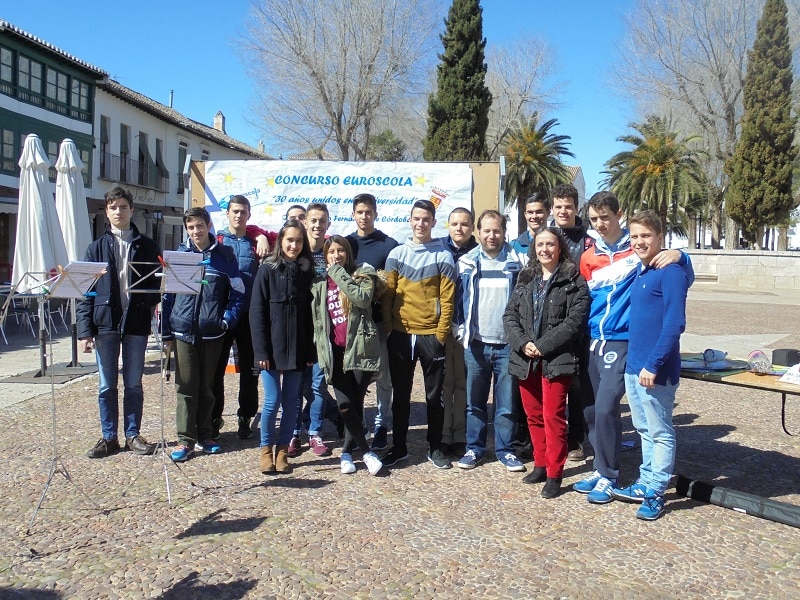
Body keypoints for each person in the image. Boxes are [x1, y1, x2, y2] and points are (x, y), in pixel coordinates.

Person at [573, 191, 693, 504]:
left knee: (608, 406)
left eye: (605, 217)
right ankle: (603, 470)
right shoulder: (588, 255)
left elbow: (679, 282)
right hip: (594, 339)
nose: (600, 223)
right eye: (595, 218)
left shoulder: (639, 250)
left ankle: (612, 475)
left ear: (619, 215)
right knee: (592, 410)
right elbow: (586, 298)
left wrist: (683, 255)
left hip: (622, 341)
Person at [611, 210, 690, 520]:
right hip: (635, 366)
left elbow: (674, 323)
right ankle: (645, 481)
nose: (639, 241)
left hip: (655, 369)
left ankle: (656, 490)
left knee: (660, 431)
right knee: (643, 427)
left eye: (646, 235)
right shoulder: (643, 271)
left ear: (660, 238)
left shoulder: (671, 271)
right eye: (634, 236)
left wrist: (654, 364)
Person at [504, 227, 589, 498]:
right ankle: (540, 463)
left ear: (559, 247)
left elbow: (574, 323)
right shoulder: (526, 276)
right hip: (525, 358)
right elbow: (510, 316)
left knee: (553, 417)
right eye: (540, 244)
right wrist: (522, 343)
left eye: (550, 244)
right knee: (533, 416)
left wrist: (542, 346)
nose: (545, 250)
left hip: (557, 359)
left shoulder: (574, 279)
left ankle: (554, 472)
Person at [78, 186, 161, 458]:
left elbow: (156, 287)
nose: (118, 211)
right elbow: (85, 292)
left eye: (123, 207)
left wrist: (154, 299)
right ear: (106, 211)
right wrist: (84, 331)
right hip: (105, 324)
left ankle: (132, 434)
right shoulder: (96, 248)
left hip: (136, 323)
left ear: (132, 210)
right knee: (106, 385)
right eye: (113, 207)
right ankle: (108, 436)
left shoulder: (147, 246)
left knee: (134, 383)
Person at [162, 207, 244, 462]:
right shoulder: (179, 255)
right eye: (191, 227)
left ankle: (206, 434)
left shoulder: (225, 256)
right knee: (186, 386)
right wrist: (166, 333)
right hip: (183, 330)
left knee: (208, 386)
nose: (196, 231)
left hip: (212, 332)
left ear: (208, 225)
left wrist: (226, 321)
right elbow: (168, 297)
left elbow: (238, 294)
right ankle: (185, 439)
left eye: (199, 226)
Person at [381, 199, 456, 469]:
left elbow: (447, 300)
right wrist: (390, 329)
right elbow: (388, 295)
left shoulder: (443, 255)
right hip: (400, 335)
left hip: (430, 337)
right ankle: (398, 447)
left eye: (426, 219)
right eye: (416, 218)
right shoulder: (397, 255)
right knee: (400, 396)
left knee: (434, 397)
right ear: (410, 220)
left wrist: (440, 334)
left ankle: (435, 448)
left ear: (434, 222)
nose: (421, 223)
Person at [453, 210, 526, 472]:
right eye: (486, 230)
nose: (491, 235)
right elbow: (457, 300)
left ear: (504, 232)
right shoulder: (467, 262)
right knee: (475, 403)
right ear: (478, 232)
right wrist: (459, 329)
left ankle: (505, 450)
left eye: (496, 230)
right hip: (476, 344)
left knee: (506, 405)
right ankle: (475, 448)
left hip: (508, 346)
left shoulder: (519, 262)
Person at [311, 235, 383, 475]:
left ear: (348, 254)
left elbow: (362, 299)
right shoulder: (320, 283)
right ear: (326, 255)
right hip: (336, 353)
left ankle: (345, 453)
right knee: (345, 405)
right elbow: (318, 323)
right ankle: (366, 451)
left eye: (341, 251)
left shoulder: (363, 274)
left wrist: (340, 274)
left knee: (357, 404)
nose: (336, 255)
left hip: (360, 349)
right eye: (331, 252)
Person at [250, 218, 316, 474]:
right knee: (272, 401)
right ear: (281, 241)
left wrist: (310, 351)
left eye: (299, 241)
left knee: (292, 402)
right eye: (290, 240)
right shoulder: (267, 269)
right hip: (271, 349)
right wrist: (261, 351)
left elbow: (312, 317)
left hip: (298, 348)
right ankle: (265, 449)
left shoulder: (307, 271)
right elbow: (257, 313)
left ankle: (281, 452)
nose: (294, 245)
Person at [345, 193, 399, 451]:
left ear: (376, 214)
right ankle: (358, 426)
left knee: (383, 377)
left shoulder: (388, 245)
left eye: (369, 212)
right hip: (352, 324)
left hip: (378, 322)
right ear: (353, 214)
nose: (364, 216)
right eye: (360, 212)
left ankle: (381, 425)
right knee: (355, 377)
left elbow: (393, 286)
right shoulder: (346, 244)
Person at [547, 184, 595, 462]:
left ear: (576, 208)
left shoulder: (589, 241)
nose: (563, 211)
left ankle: (576, 438)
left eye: (568, 206)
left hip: (580, 318)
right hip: (551, 317)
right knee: (551, 379)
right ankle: (549, 437)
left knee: (576, 382)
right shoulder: (546, 237)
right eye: (558, 206)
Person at [288, 202, 337, 458]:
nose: (318, 225)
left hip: (322, 331)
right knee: (296, 388)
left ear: (328, 224)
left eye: (323, 221)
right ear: (305, 222)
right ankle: (293, 433)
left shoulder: (332, 252)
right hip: (297, 331)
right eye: (313, 221)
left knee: (318, 387)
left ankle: (315, 433)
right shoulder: (295, 251)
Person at [211, 195, 262, 441]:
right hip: (223, 314)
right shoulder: (217, 241)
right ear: (228, 214)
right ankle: (214, 416)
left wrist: (261, 235)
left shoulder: (256, 241)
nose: (239, 215)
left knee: (250, 371)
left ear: (249, 215)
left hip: (249, 315)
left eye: (243, 212)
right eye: (235, 211)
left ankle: (246, 417)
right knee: (216, 368)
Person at [439, 207, 478, 457]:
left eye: (464, 224)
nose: (459, 229)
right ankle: (444, 435)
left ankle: (461, 435)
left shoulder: (478, 252)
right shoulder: (439, 249)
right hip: (442, 326)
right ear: (448, 225)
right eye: (455, 224)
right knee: (445, 384)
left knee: (463, 384)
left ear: (472, 227)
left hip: (467, 328)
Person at [511, 192, 551, 261]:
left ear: (548, 213)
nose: (534, 216)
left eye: (539, 212)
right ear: (525, 215)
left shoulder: (556, 243)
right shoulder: (514, 247)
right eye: (530, 212)